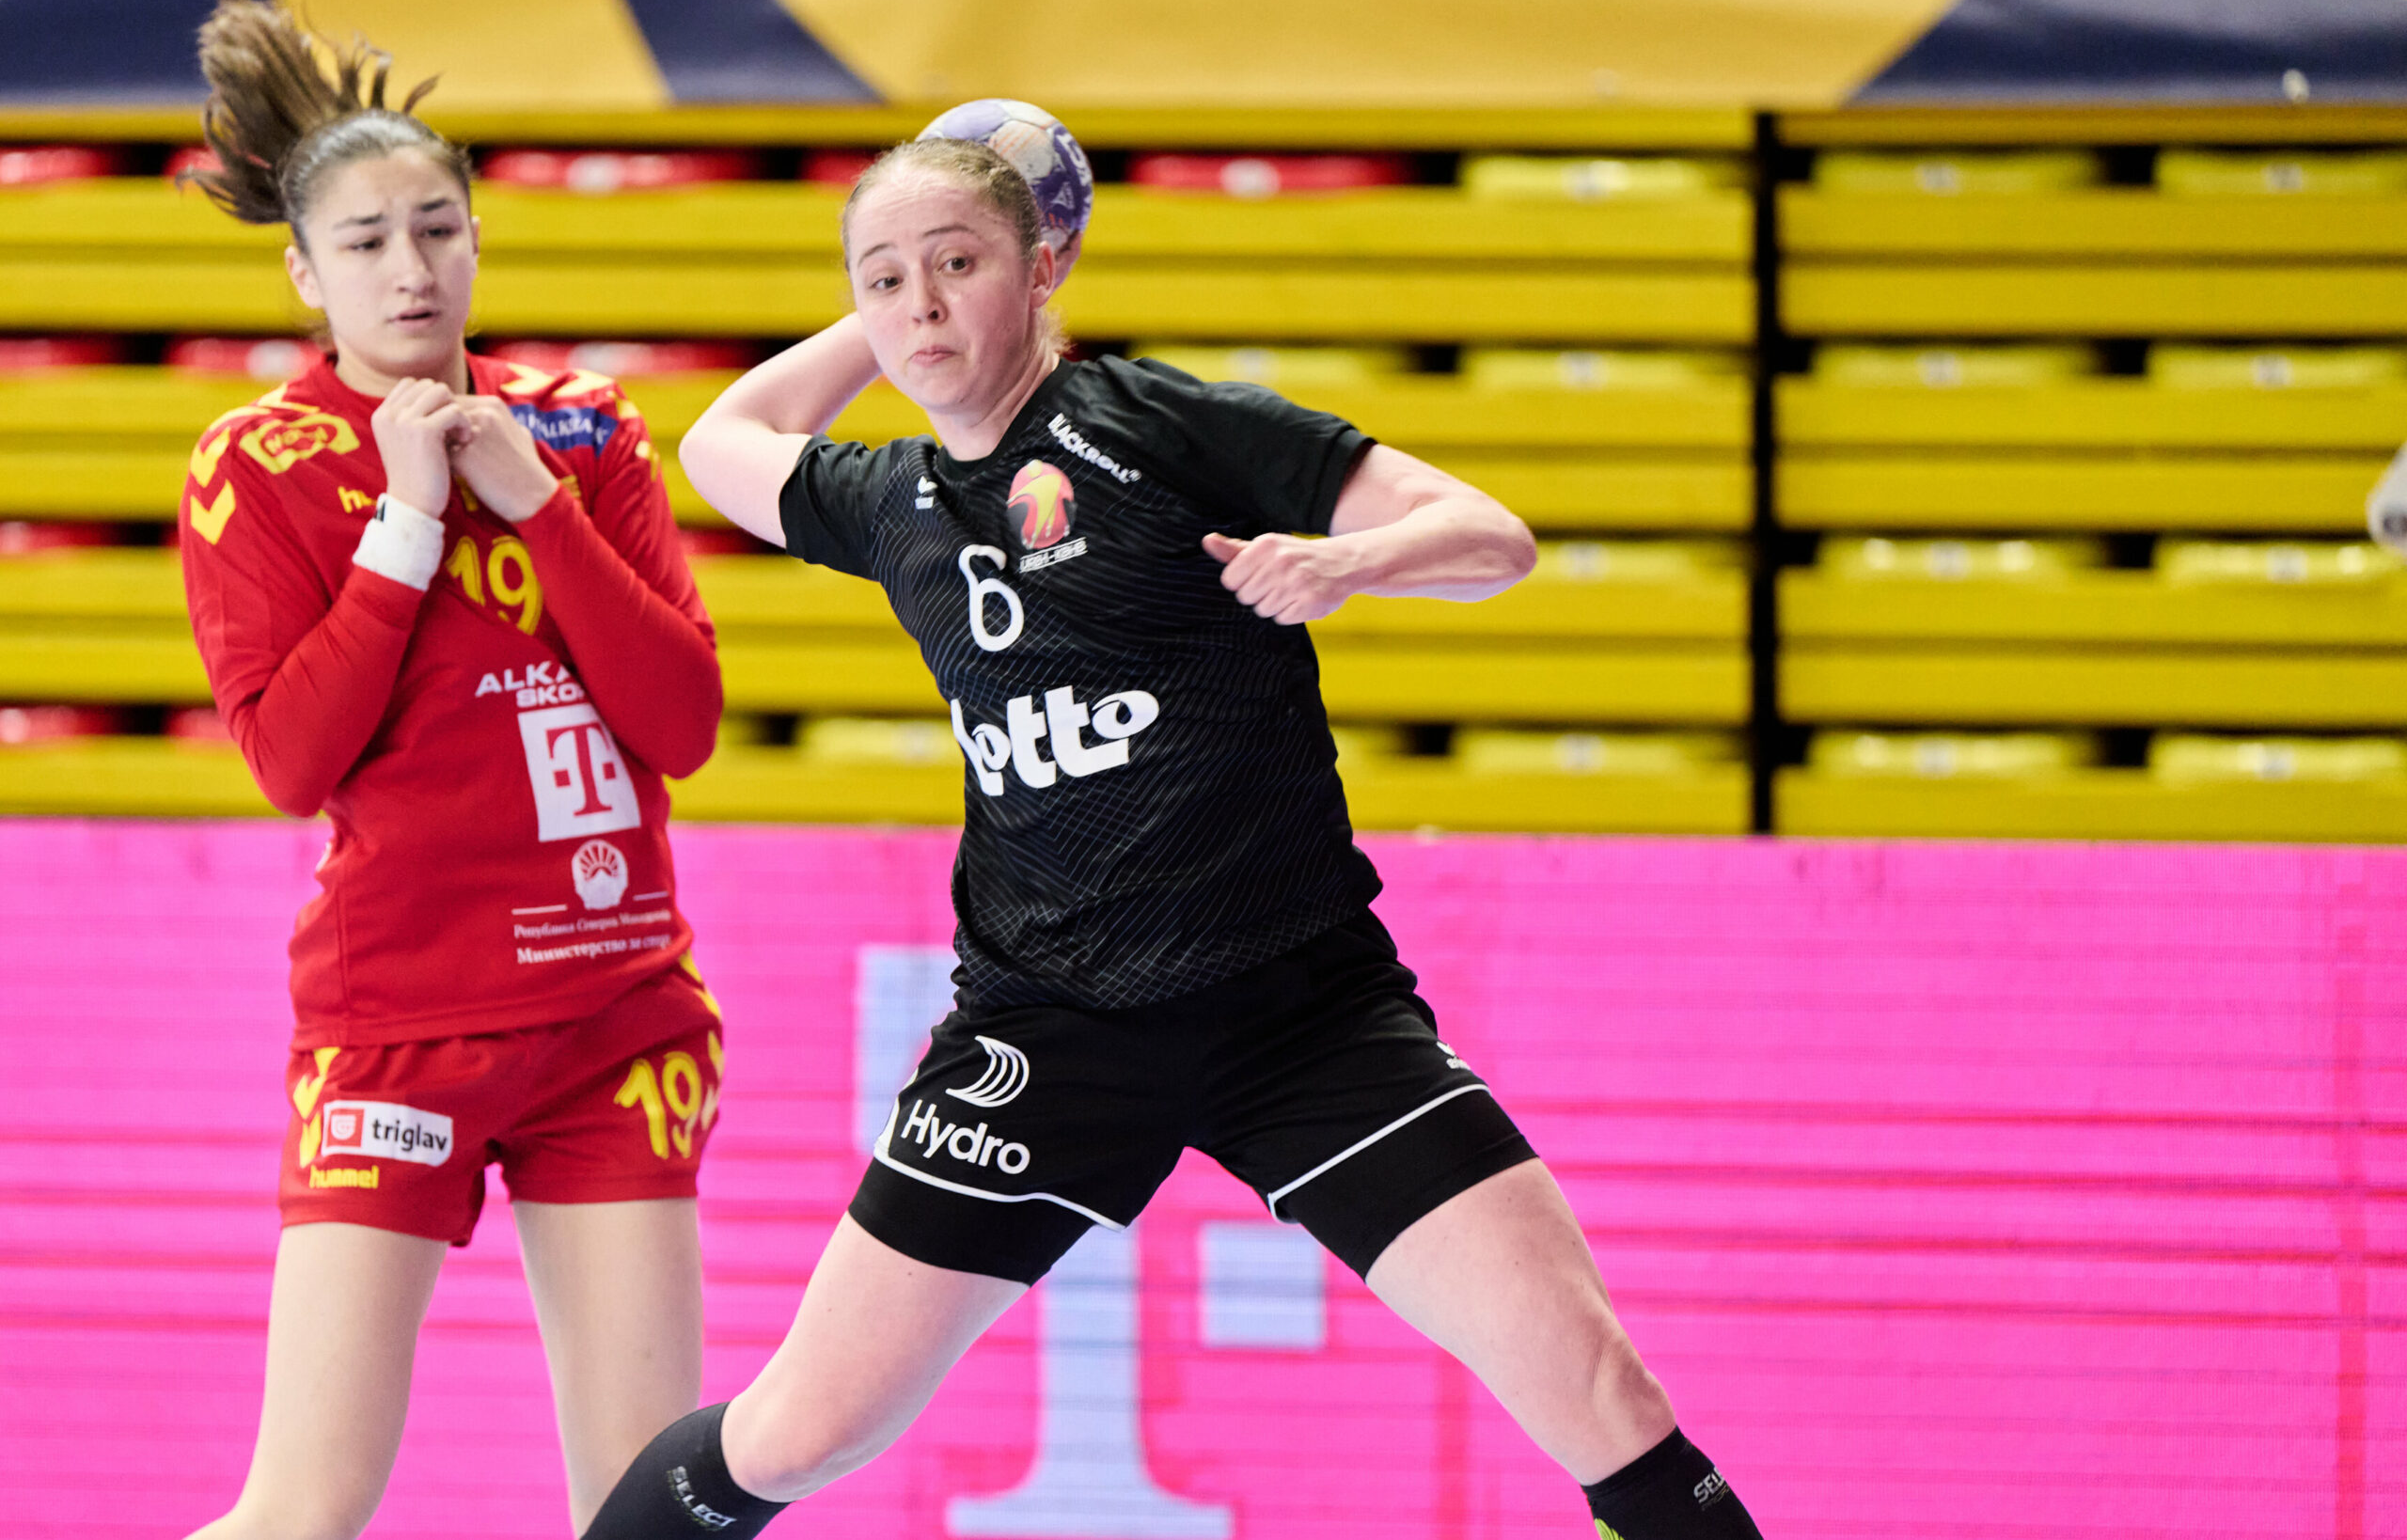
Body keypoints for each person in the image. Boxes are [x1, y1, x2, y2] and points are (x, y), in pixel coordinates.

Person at [582, 137, 1764, 1540]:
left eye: (960, 263)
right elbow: (720, 441)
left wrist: (1348, 562)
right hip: (1047, 1033)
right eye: (884, 279)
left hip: (1303, 1020)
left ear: (1046, 267)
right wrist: (903, 304)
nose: (923, 302)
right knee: (799, 1432)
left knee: (1604, 1392)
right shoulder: (894, 500)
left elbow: (1489, 536)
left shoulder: (1160, 427)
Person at [176, 0, 727, 1538]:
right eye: (366, 242)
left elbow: (682, 724)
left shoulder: (584, 430)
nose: (410, 268)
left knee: (644, 1512)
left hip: (614, 1011)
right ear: (306, 273)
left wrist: (536, 503)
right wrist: (409, 525)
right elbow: (292, 759)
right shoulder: (260, 462)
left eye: (437, 228)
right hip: (399, 1026)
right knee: (304, 1508)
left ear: (478, 238)